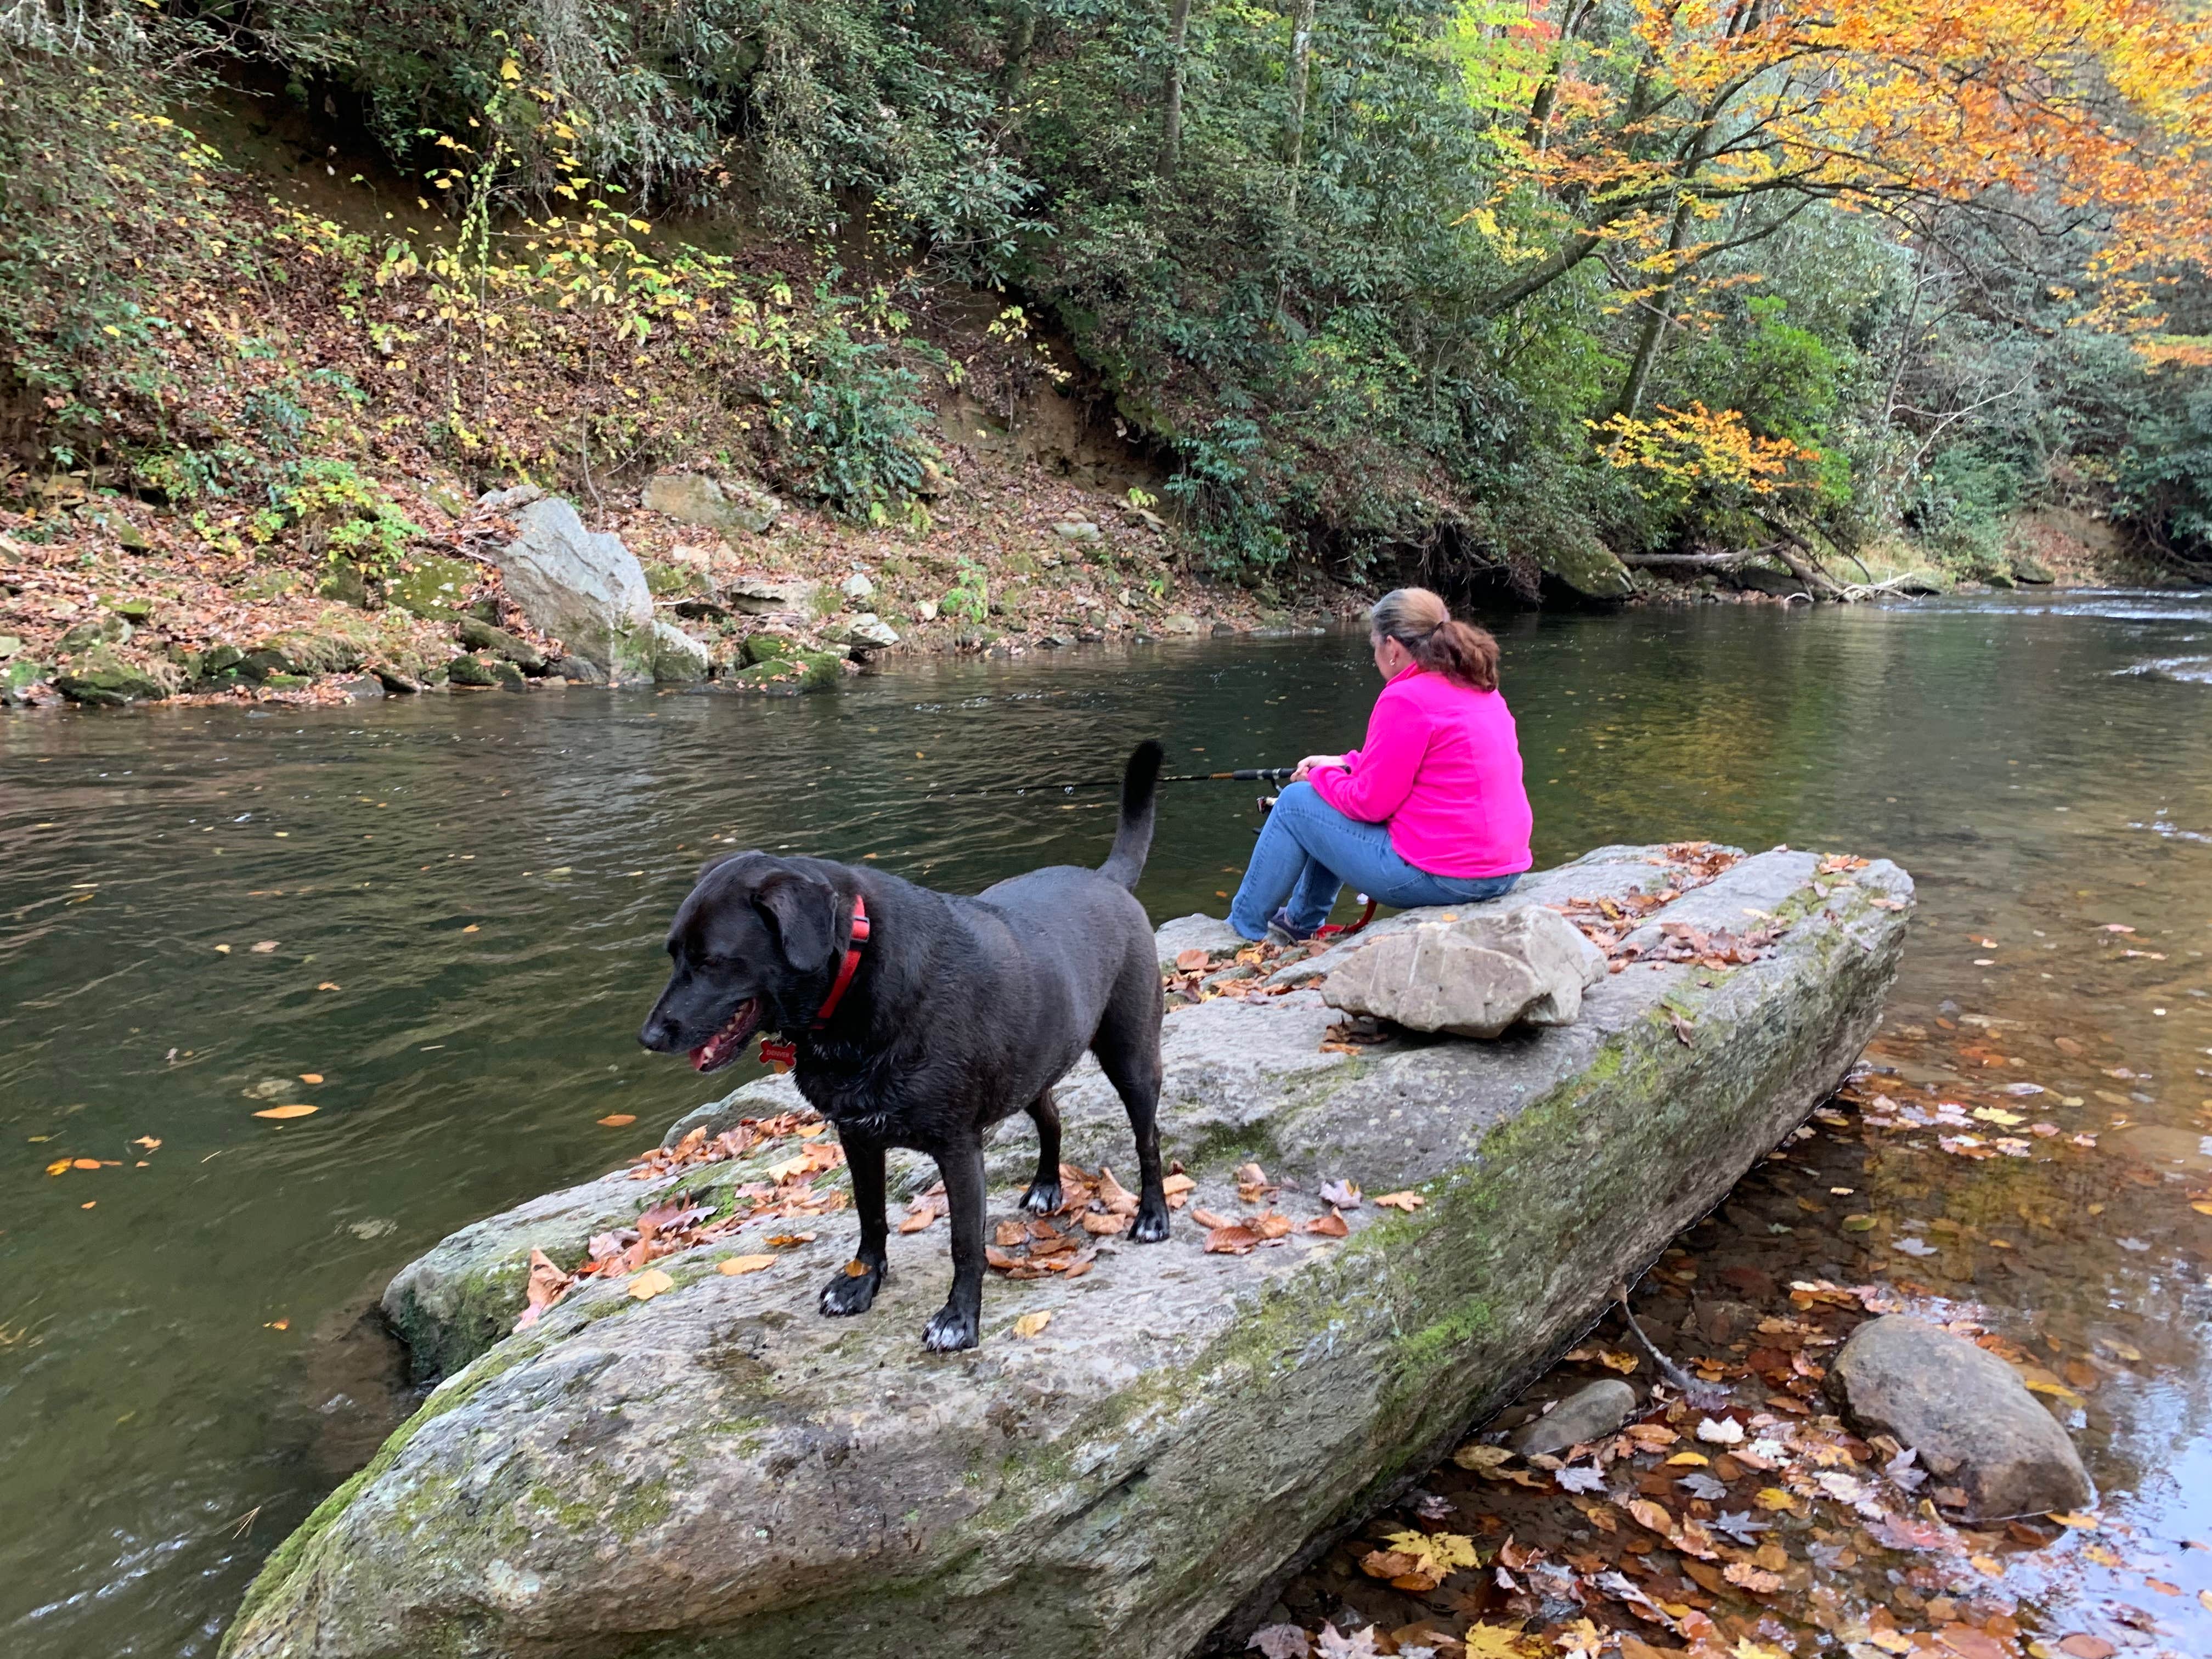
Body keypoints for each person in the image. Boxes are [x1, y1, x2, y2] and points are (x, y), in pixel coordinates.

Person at [1227, 588, 1533, 942]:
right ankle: (1300, 921)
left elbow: (1369, 805)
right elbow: (1423, 763)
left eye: (1374, 644)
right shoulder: (1478, 685)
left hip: (1446, 877)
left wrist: (1321, 776)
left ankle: (1243, 928)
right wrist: (1343, 763)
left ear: (1392, 647)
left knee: (1296, 803)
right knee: (1324, 800)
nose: (1375, 655)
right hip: (1503, 871)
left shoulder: (1406, 698)